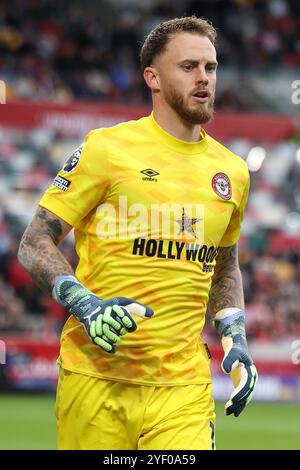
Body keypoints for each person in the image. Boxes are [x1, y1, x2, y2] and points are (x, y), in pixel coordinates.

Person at [18, 16, 258, 450]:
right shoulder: (105, 149)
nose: (204, 78)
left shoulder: (233, 172)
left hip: (183, 388)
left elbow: (225, 267)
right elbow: (34, 242)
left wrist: (235, 337)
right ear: (153, 77)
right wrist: (85, 304)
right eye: (188, 67)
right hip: (96, 379)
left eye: (211, 67)